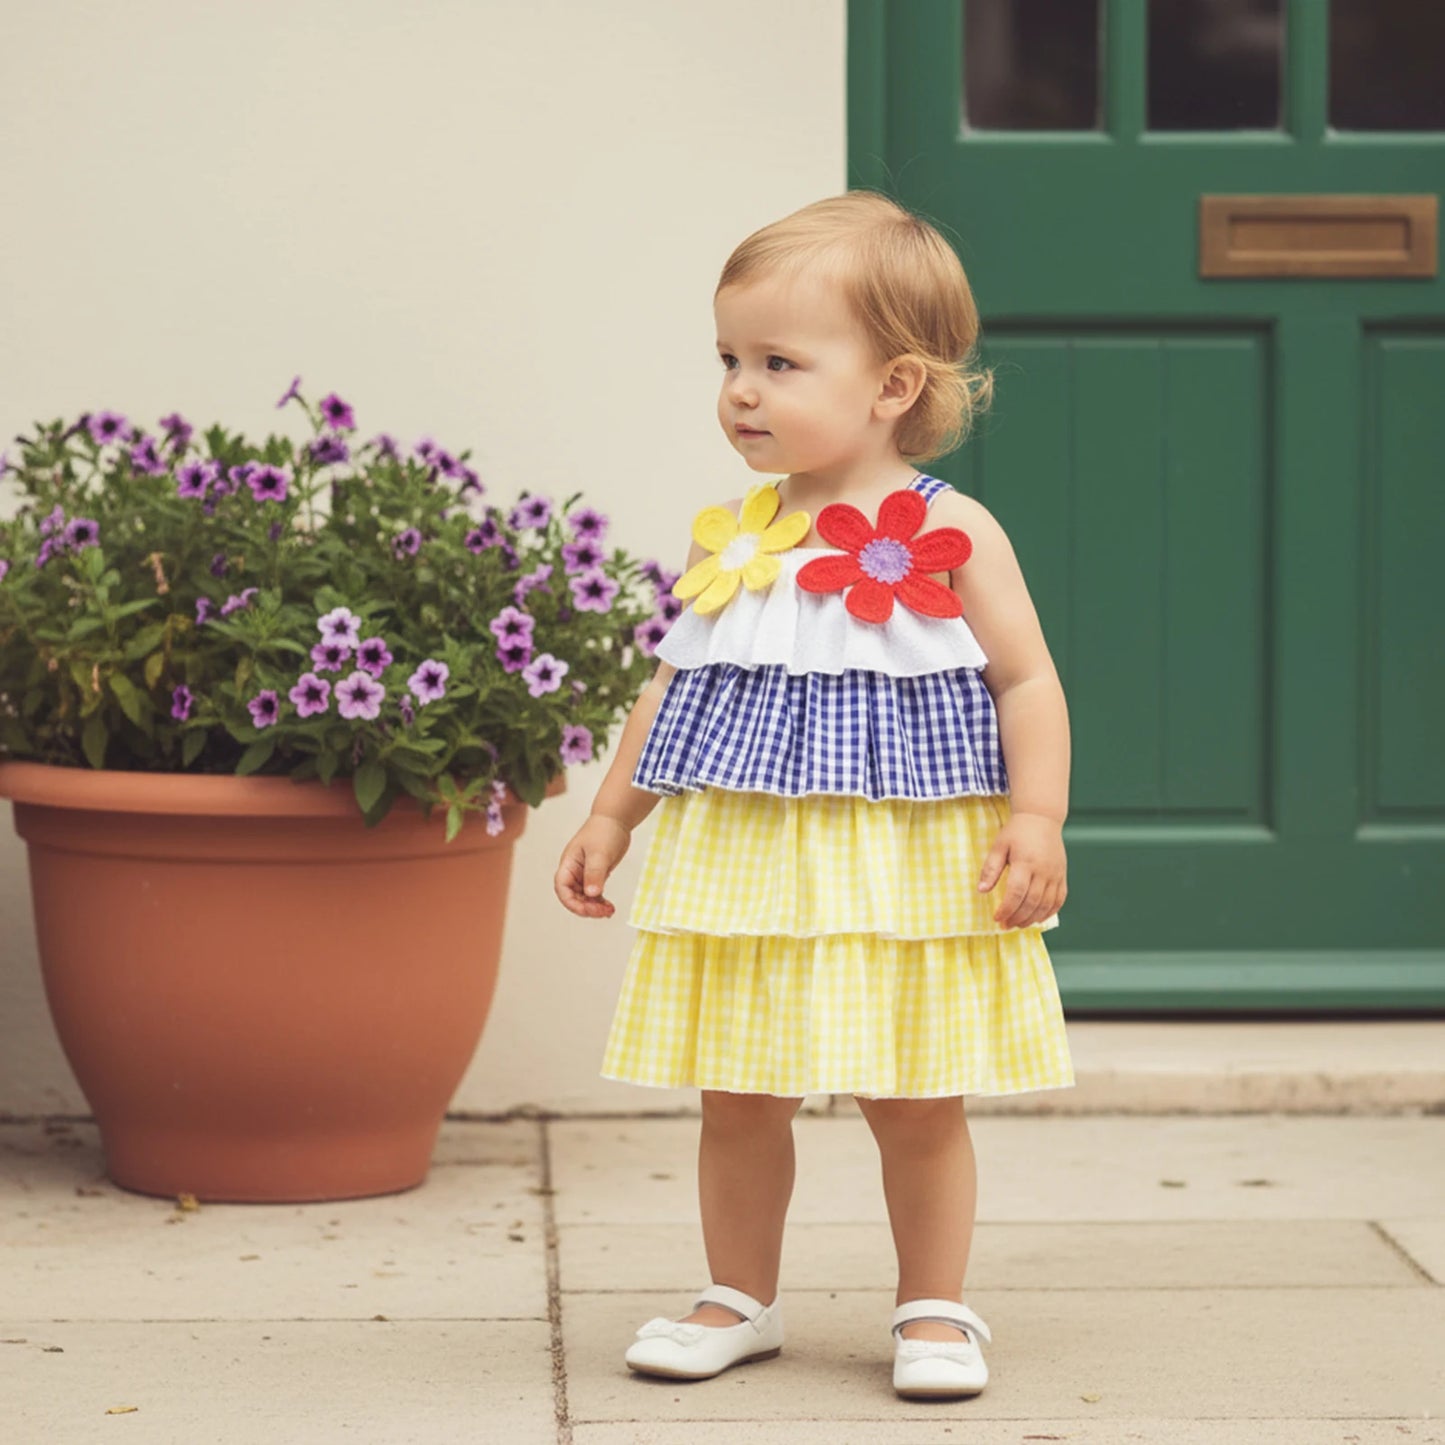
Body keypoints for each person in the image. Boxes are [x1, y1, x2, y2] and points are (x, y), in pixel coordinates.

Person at [553, 189, 1074, 1402]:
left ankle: (934, 1307)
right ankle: (737, 1293)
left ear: (892, 385)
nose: (739, 387)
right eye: (728, 358)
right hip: (747, 859)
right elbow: (669, 688)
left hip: (906, 866)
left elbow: (1025, 677)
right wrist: (613, 813)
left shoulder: (952, 532)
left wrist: (1035, 813)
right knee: (736, 1091)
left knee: (914, 1096)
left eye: (778, 361)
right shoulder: (734, 538)